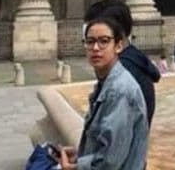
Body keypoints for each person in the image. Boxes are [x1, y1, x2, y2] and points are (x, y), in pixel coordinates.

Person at [59, 15, 148, 170]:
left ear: (118, 46)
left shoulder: (119, 91)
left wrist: (75, 168)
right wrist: (80, 155)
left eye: (104, 41)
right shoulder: (106, 83)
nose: (95, 48)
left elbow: (110, 161)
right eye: (90, 41)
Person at [84, 0, 160, 125]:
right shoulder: (132, 62)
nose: (94, 46)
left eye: (102, 39)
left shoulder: (122, 73)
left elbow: (116, 139)